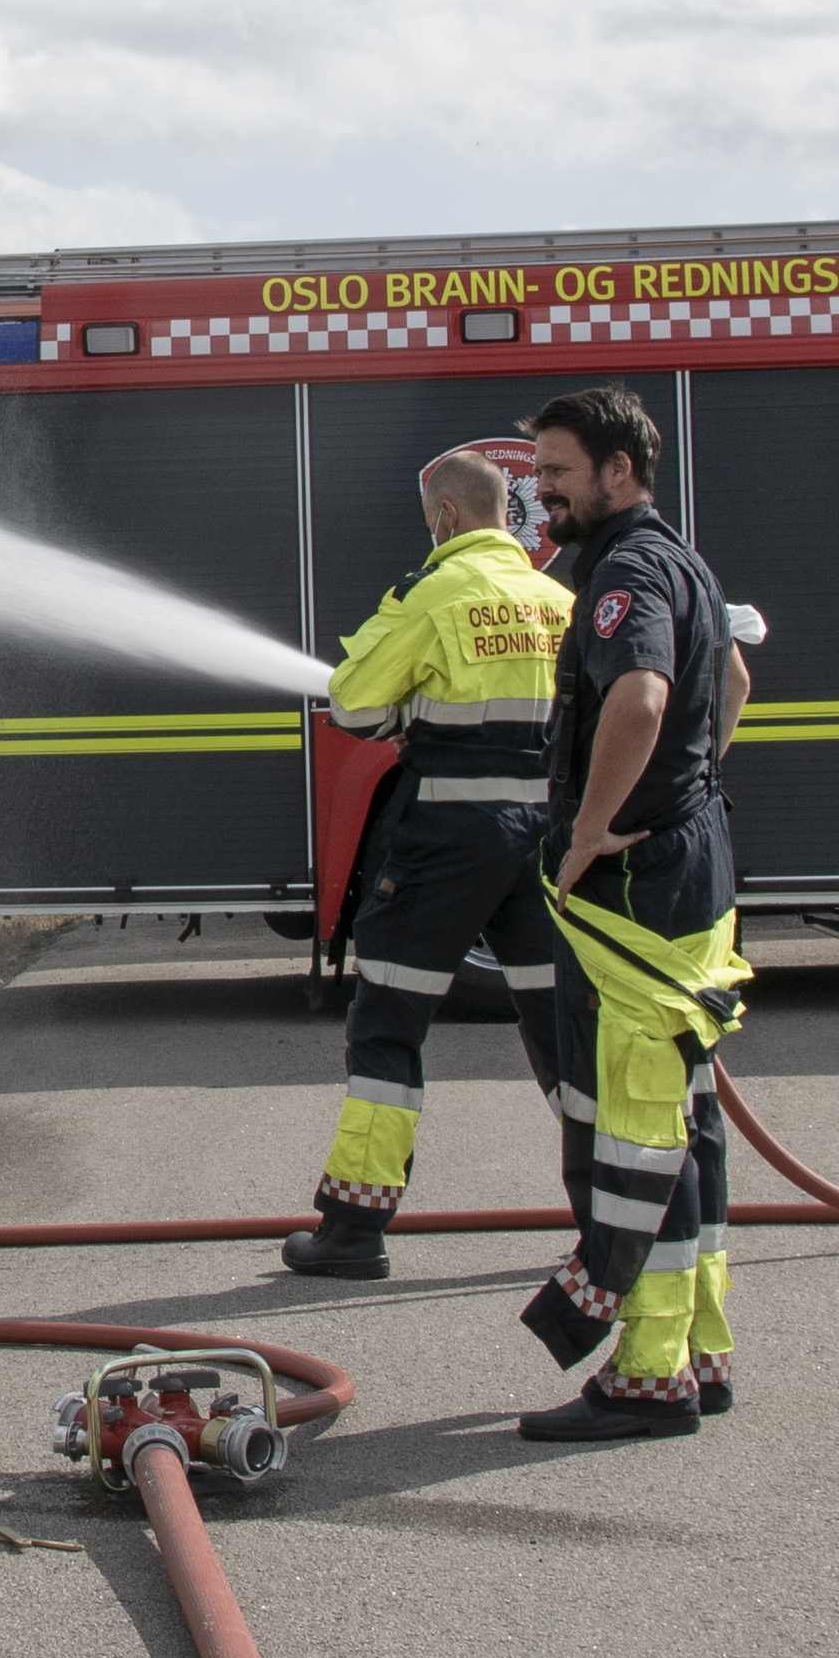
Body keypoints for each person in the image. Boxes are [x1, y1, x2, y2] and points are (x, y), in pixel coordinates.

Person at [511, 384, 754, 1443]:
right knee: (686, 1126)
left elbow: (643, 696)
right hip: (688, 867)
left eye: (558, 473)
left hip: (631, 892)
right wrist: (685, 789)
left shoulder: (624, 570)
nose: (543, 494)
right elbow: (734, 676)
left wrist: (591, 827)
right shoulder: (683, 558)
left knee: (627, 1134)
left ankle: (649, 1377)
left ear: (618, 471)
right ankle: (698, 1350)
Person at [281, 444, 574, 1280]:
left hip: (447, 835)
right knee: (561, 1024)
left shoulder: (432, 593)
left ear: (446, 516)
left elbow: (353, 701)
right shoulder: (558, 598)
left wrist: (406, 711)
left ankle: (354, 1230)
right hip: (546, 839)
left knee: (389, 1024)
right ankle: (609, 1211)